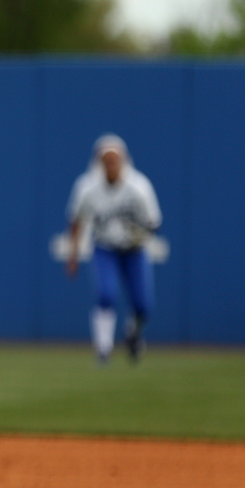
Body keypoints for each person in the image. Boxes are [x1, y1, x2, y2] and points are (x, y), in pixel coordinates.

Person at [65, 133, 162, 364]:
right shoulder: (87, 187)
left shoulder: (139, 186)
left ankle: (133, 335)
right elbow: (76, 219)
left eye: (114, 160)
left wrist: (140, 232)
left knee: (143, 305)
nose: (110, 165)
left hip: (134, 249)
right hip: (105, 247)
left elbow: (154, 222)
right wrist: (73, 254)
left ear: (124, 160)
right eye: (105, 160)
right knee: (106, 294)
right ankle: (103, 348)